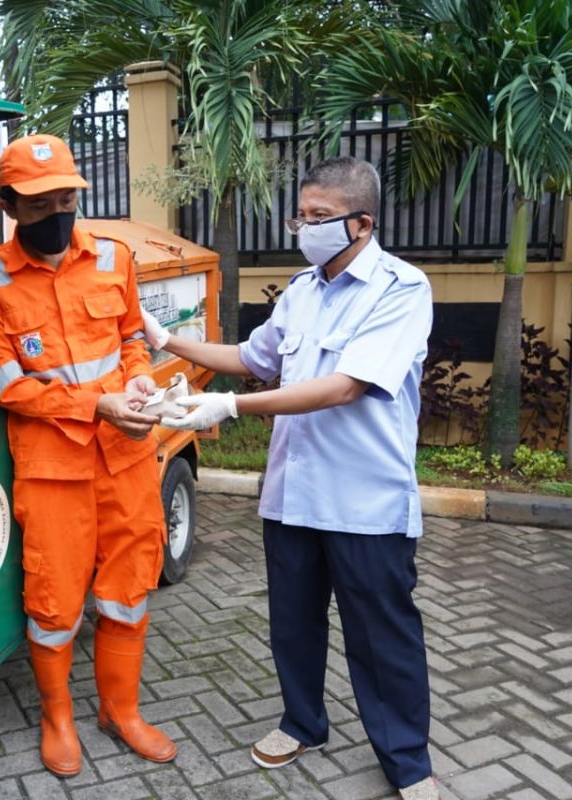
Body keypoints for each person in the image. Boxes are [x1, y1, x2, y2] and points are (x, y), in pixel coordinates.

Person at [144, 156, 439, 800]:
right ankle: (302, 722)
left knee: (381, 635)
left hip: (364, 500)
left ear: (361, 223)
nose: (302, 228)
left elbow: (344, 386)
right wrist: (166, 340)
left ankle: (408, 762)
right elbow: (251, 358)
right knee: (293, 624)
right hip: (293, 495)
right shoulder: (303, 291)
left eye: (318, 218)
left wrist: (230, 406)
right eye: (300, 215)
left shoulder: (401, 289)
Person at [0, 133, 176, 777]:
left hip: (127, 457)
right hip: (54, 468)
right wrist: (96, 405)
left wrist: (137, 378)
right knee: (55, 604)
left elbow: (131, 334)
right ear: (9, 205)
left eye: (65, 199)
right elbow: (9, 386)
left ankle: (121, 710)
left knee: (129, 590)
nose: (57, 213)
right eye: (38, 204)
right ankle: (59, 719)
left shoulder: (114, 257)